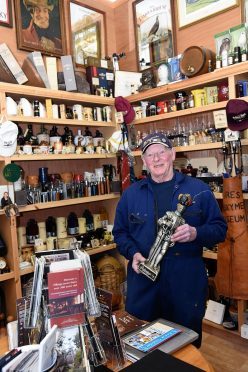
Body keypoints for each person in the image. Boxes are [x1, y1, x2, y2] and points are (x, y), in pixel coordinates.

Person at [113, 132, 227, 348]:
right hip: (143, 285)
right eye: (149, 155)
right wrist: (133, 254)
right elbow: (120, 234)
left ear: (172, 154)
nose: (156, 159)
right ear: (144, 161)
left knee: (187, 348)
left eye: (161, 152)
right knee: (142, 345)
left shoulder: (199, 191)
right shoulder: (131, 195)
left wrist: (195, 233)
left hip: (185, 284)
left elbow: (219, 229)